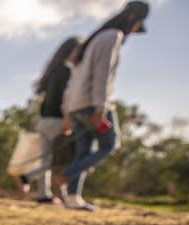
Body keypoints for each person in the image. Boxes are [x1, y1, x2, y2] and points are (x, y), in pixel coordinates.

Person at [59, 1, 150, 211]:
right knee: (109, 144)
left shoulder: (93, 40)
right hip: (93, 103)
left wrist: (68, 111)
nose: (134, 32)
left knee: (83, 150)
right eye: (137, 27)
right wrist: (100, 108)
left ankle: (73, 197)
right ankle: (66, 175)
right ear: (133, 20)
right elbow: (103, 75)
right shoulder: (113, 37)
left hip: (77, 105)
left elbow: (74, 80)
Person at [21, 37, 83, 204]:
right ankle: (27, 176)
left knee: (45, 158)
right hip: (57, 120)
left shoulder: (52, 71)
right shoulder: (66, 71)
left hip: (43, 120)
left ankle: (43, 194)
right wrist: (68, 118)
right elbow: (66, 99)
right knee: (53, 160)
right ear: (71, 51)